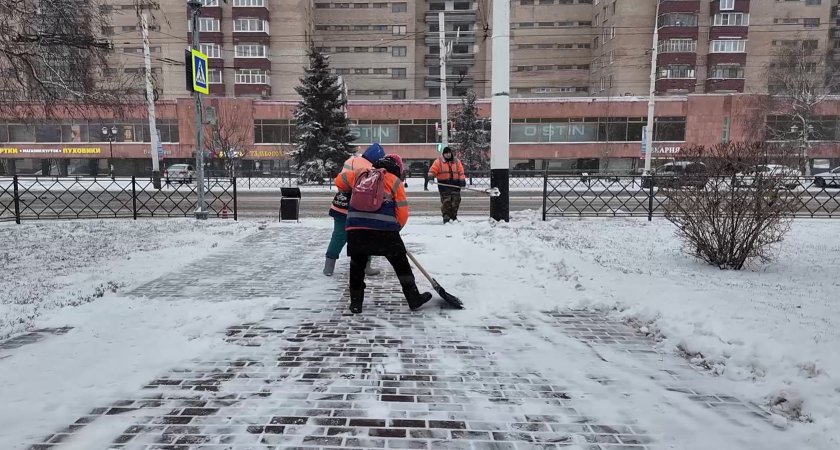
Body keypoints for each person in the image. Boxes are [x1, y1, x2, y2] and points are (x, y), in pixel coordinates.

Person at [335, 154, 433, 314]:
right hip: (385, 232)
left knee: (357, 265)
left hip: (356, 230)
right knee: (401, 265)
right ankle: (413, 298)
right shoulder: (394, 181)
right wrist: (395, 230)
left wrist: (351, 190)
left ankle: (355, 303)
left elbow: (338, 181)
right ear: (397, 168)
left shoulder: (360, 173)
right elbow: (402, 212)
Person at [323, 143, 386, 277]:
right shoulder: (373, 168)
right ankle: (366, 267)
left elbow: (341, 181)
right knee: (366, 236)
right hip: (360, 208)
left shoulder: (350, 161)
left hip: (341, 204)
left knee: (339, 236)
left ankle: (328, 267)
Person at [428, 147, 466, 223]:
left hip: (455, 185)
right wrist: (431, 177)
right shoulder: (438, 162)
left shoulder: (456, 162)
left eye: (449, 153)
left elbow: (461, 172)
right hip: (444, 185)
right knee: (446, 201)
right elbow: (432, 170)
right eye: (446, 153)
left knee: (456, 201)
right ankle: (446, 217)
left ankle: (453, 216)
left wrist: (462, 181)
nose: (448, 155)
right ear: (443, 154)